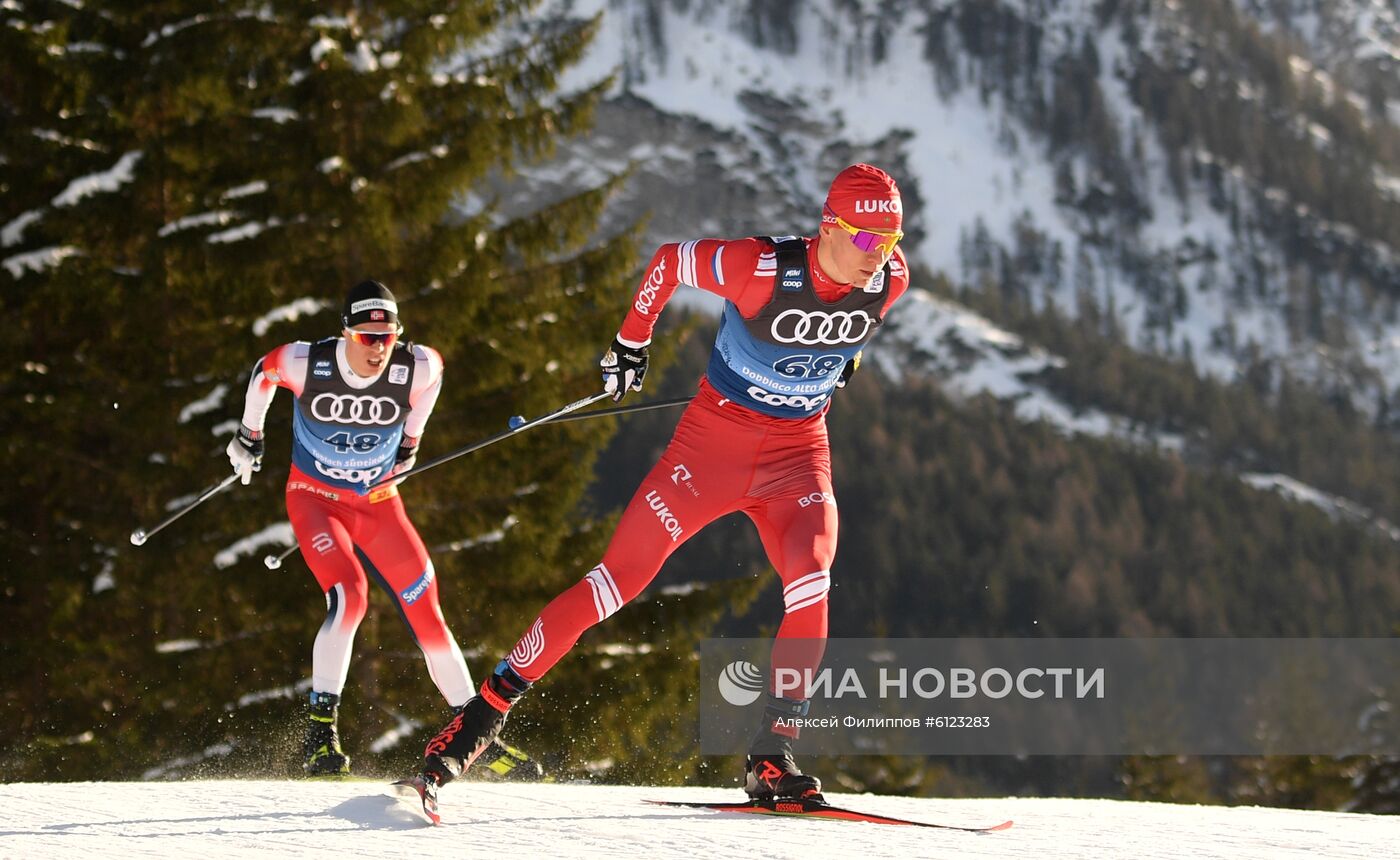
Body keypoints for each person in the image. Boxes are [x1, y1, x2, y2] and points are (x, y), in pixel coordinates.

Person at [408, 163, 909, 810]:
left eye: (891, 241)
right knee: (615, 582)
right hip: (711, 449)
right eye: (867, 239)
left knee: (812, 583)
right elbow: (670, 261)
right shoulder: (757, 269)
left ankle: (771, 755)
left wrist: (844, 363)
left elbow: (853, 332)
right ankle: (478, 718)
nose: (880, 256)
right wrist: (631, 343)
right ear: (828, 228)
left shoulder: (890, 282)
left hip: (797, 457)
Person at [226, 279, 538, 779]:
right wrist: (249, 434)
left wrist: (411, 444)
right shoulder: (309, 362)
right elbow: (265, 373)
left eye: (387, 338)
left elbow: (433, 382)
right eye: (367, 338)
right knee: (351, 595)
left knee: (426, 608)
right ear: (346, 332)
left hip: (377, 501)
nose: (377, 349)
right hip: (316, 499)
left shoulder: (417, 366)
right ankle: (320, 732)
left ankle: (475, 732)